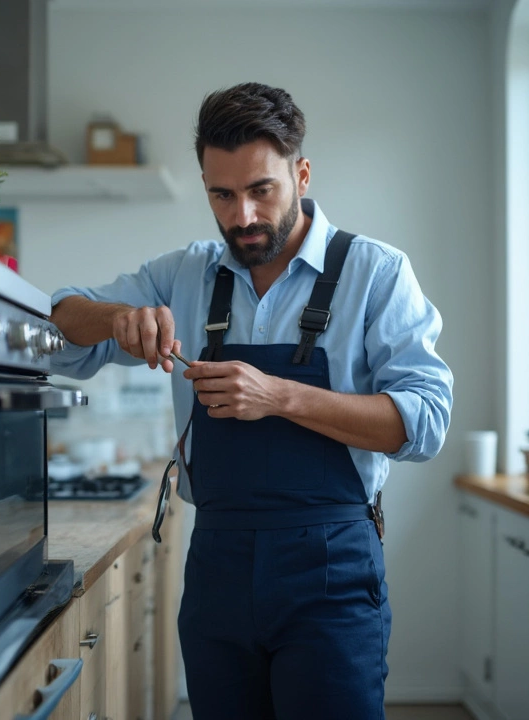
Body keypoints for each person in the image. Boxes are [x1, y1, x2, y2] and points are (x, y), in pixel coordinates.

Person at [48, 82, 452, 719]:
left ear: (302, 173)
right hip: (219, 566)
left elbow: (425, 425)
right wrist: (119, 317)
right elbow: (59, 324)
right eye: (222, 194)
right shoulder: (183, 275)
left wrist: (281, 396)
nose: (242, 217)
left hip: (332, 570)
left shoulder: (377, 273)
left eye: (262, 190)